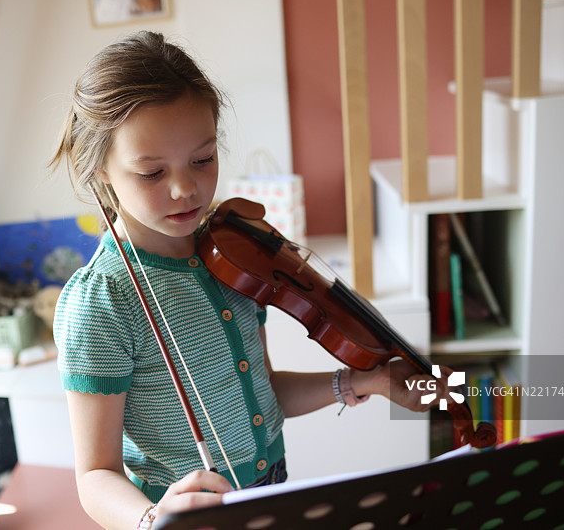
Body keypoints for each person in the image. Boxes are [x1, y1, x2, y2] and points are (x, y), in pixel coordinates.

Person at [50, 31, 448, 530]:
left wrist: (366, 380)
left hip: (273, 486)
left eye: (203, 159)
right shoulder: (103, 302)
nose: (185, 188)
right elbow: (94, 475)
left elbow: (265, 392)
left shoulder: (234, 256)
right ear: (101, 170)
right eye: (151, 173)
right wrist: (154, 519)